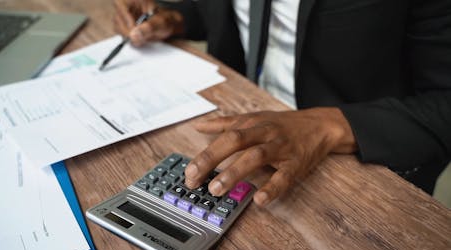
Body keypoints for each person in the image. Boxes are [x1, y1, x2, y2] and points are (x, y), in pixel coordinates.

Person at [113, 0, 451, 206]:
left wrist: (330, 125)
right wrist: (178, 17)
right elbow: (226, 9)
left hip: (365, 162)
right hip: (238, 116)